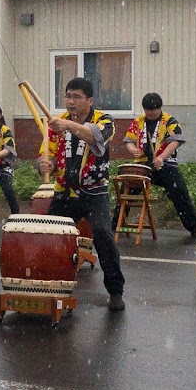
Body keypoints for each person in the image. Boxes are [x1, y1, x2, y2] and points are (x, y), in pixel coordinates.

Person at [37, 77, 126, 311]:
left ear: (90, 100)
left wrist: (68, 126)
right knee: (49, 235)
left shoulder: (104, 120)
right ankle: (49, 284)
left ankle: (115, 291)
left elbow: (96, 137)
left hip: (94, 192)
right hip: (65, 192)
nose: (71, 101)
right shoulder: (58, 125)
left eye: (76, 97)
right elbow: (48, 156)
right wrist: (45, 165)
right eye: (68, 96)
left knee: (103, 235)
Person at [123, 92, 196, 238]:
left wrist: (162, 157)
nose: (151, 113)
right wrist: (133, 150)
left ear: (160, 108)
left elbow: (175, 141)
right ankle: (116, 224)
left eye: (154, 109)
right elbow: (129, 140)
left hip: (166, 165)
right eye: (148, 110)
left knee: (179, 191)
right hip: (143, 165)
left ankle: (194, 228)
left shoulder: (169, 121)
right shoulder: (138, 122)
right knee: (127, 188)